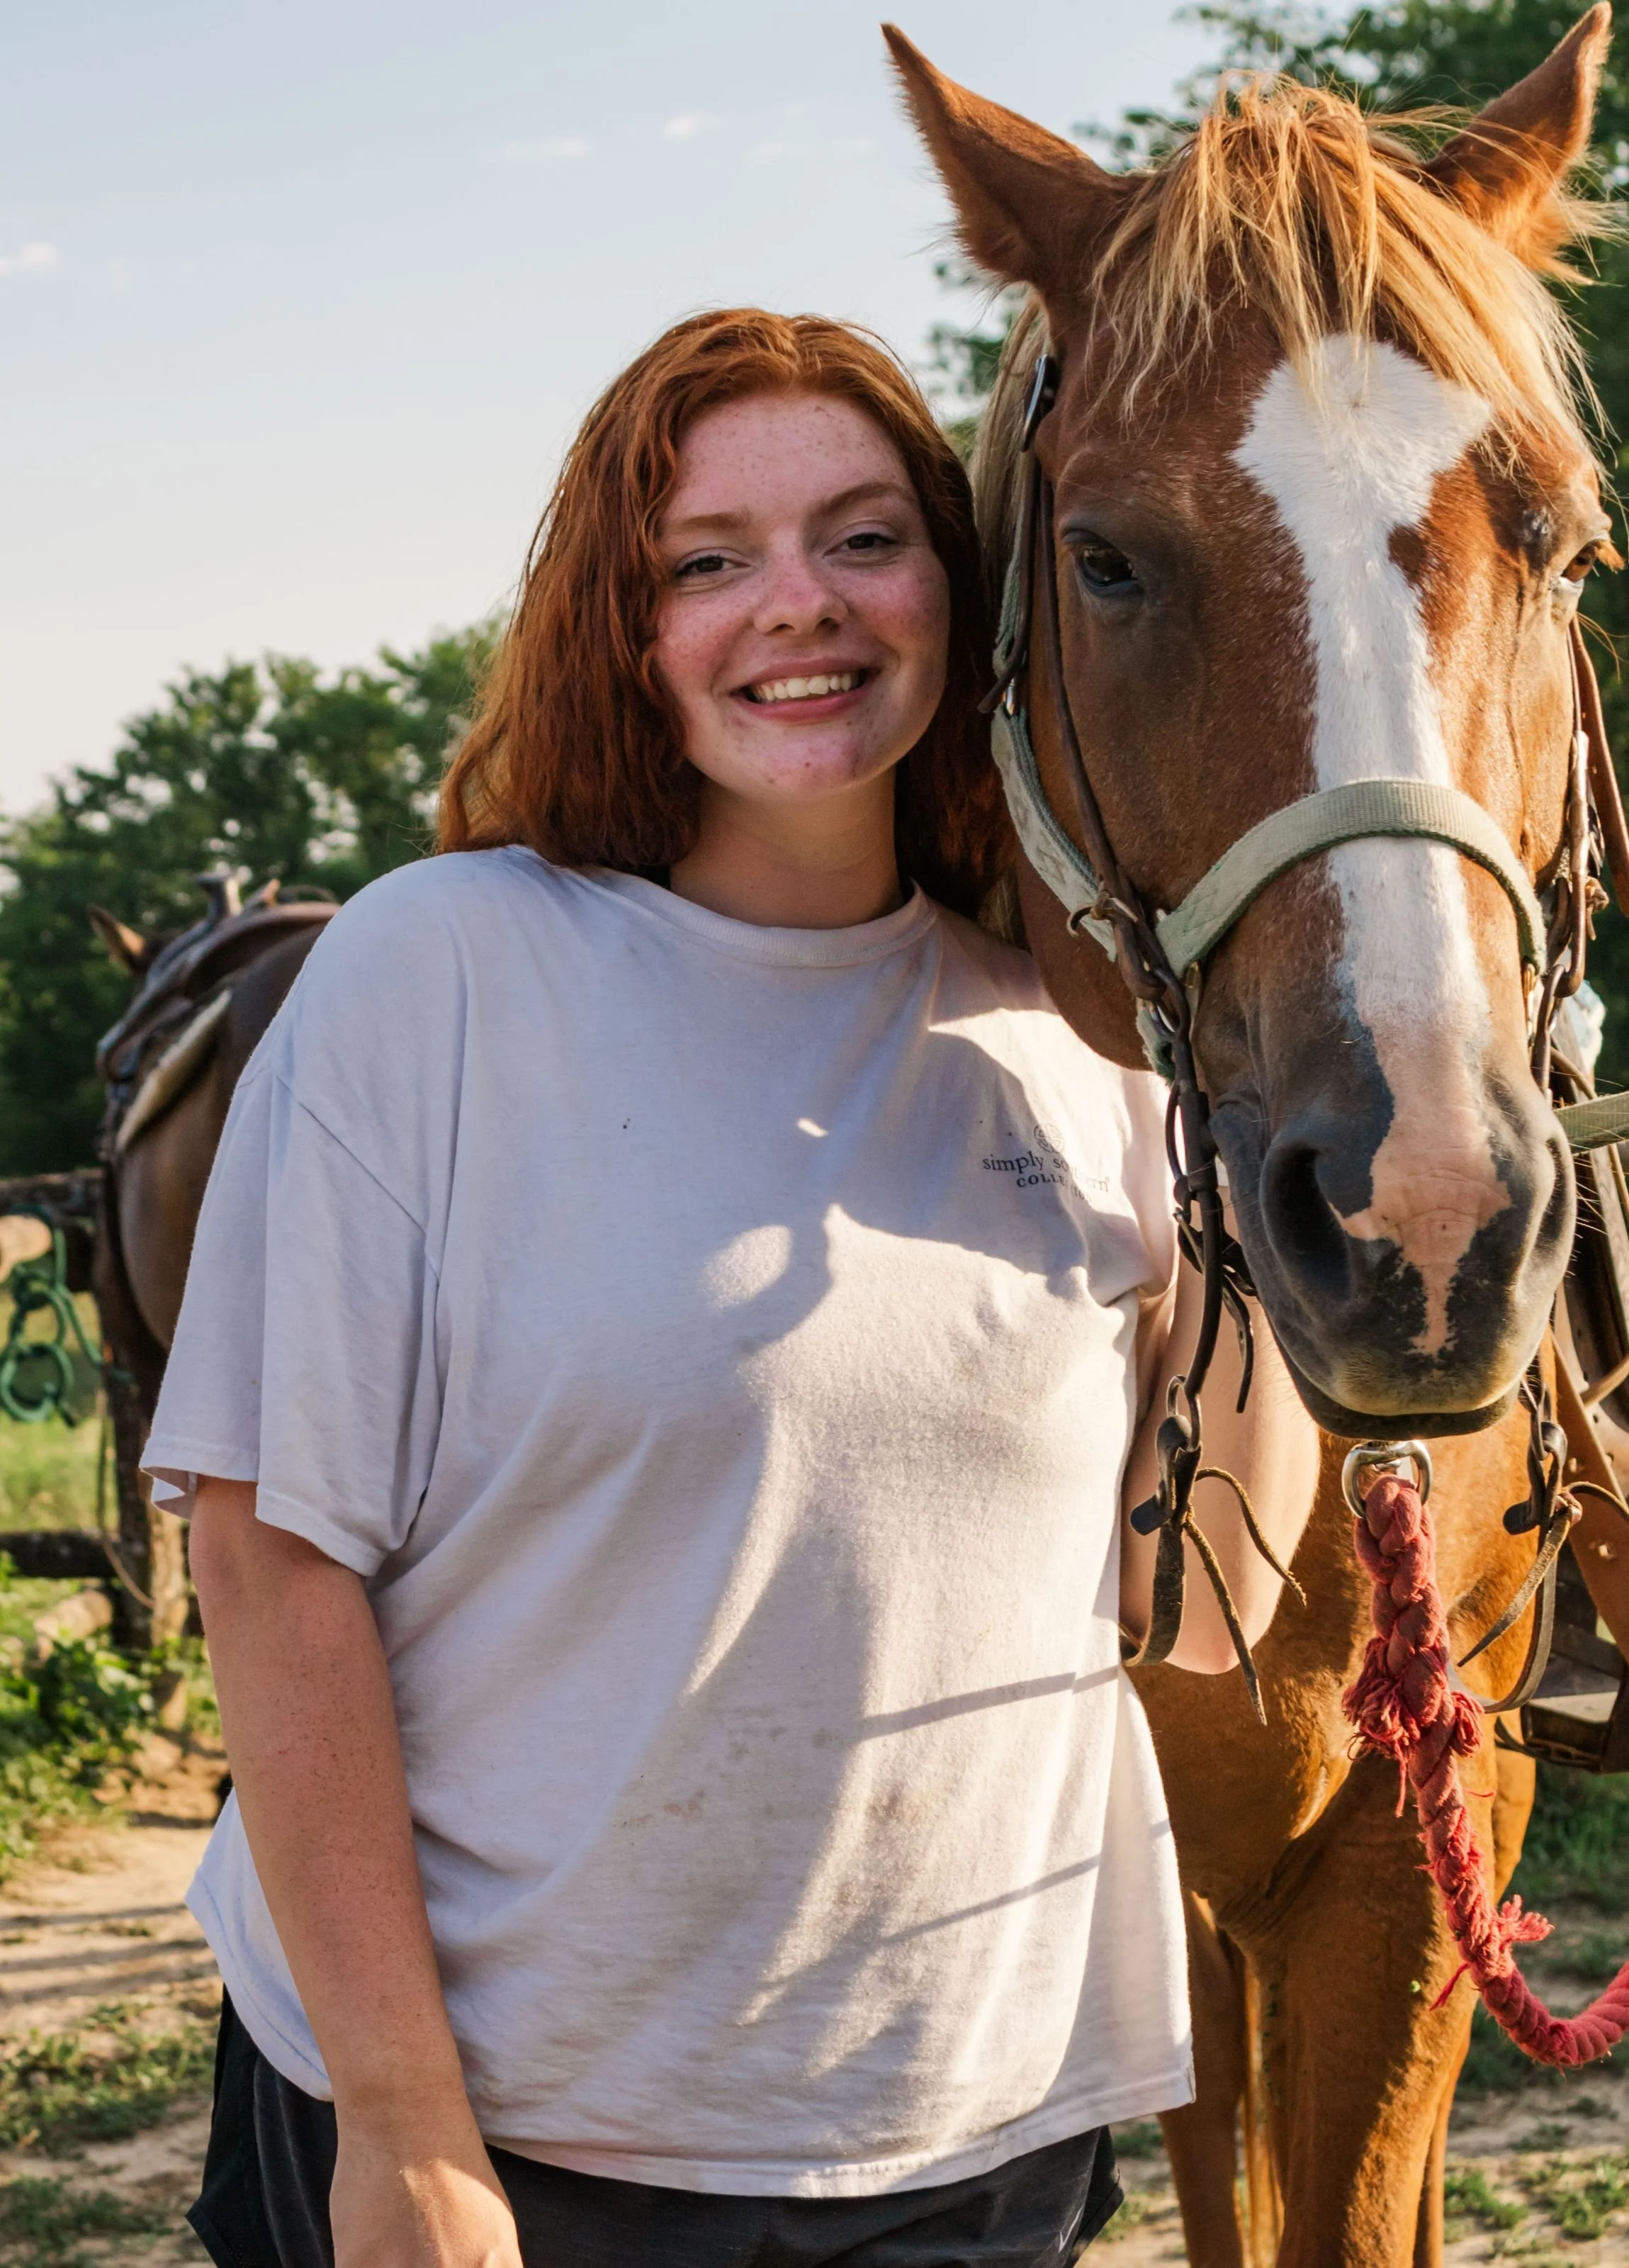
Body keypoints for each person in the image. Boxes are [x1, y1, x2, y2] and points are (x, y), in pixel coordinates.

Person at [145, 308, 1321, 2268]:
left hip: (968, 2129)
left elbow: (1198, 1612)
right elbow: (273, 1557)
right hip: (526, 2126)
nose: (803, 605)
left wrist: (1271, 1125)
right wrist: (408, 2128)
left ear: (964, 593)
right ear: (626, 627)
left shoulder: (1087, 1043)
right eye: (710, 560)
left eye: (868, 538)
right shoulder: (442, 972)